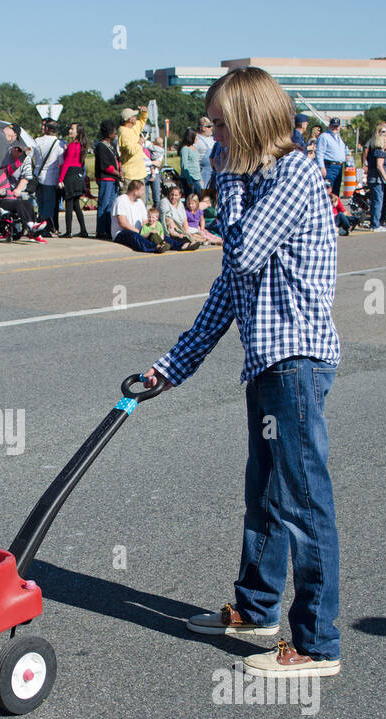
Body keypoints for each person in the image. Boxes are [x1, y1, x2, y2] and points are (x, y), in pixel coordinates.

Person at [143, 66, 342, 678]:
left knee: (303, 501)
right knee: (264, 493)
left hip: (296, 362)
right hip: (267, 364)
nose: (215, 137)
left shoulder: (294, 175)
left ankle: (316, 643)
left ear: (250, 122)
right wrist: (172, 367)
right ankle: (257, 610)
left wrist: (225, 182)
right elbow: (229, 288)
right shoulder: (256, 181)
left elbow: (243, 249)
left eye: (222, 126)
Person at [112, 179, 188, 252]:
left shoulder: (139, 202)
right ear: (135, 191)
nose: (143, 192)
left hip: (140, 231)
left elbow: (145, 220)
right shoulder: (121, 200)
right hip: (122, 233)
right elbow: (123, 223)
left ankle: (181, 245)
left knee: (160, 235)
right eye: (142, 190)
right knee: (134, 236)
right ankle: (155, 247)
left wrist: (149, 230)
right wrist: (140, 232)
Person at [57, 123, 90, 238]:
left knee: (69, 205)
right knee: (76, 205)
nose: (70, 131)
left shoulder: (72, 145)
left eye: (72, 129)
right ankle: (83, 230)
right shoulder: (81, 145)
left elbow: (66, 163)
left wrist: (60, 179)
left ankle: (68, 231)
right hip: (78, 175)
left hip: (70, 175)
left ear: (78, 132)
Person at [32, 119, 63, 236]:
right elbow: (61, 160)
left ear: (46, 129)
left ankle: (39, 225)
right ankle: (43, 228)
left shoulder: (37, 141)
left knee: (40, 204)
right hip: (51, 177)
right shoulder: (58, 143)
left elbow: (31, 156)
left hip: (37, 175)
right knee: (49, 205)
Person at [94, 120, 121, 240]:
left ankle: (109, 229)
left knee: (111, 206)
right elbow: (105, 165)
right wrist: (118, 173)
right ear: (109, 133)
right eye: (114, 131)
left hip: (114, 179)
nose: (115, 133)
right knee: (103, 205)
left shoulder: (113, 145)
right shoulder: (100, 146)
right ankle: (101, 231)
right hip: (106, 179)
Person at [117, 107, 148, 192]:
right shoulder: (123, 132)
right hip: (129, 175)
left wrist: (144, 112)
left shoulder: (133, 127)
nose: (136, 117)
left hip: (140, 173)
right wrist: (139, 143)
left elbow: (141, 122)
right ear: (129, 119)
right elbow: (131, 151)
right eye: (134, 116)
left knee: (141, 203)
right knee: (127, 202)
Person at [364, 130, 386, 232]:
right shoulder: (380, 152)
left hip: (372, 177)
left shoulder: (372, 152)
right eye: (385, 141)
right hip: (377, 179)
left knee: (375, 201)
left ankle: (374, 223)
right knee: (377, 202)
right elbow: (380, 166)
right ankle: (375, 224)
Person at [315, 118, 347, 192]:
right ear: (329, 125)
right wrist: (322, 167)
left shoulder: (339, 137)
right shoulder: (324, 136)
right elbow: (319, 152)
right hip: (329, 166)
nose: (335, 128)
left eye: (336, 126)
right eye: (333, 126)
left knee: (336, 192)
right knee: (328, 190)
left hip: (339, 166)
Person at [178, 128, 203, 197]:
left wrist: (200, 178)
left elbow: (196, 164)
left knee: (200, 198)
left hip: (197, 178)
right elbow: (184, 166)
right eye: (196, 136)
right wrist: (189, 181)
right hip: (189, 179)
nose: (197, 138)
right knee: (190, 199)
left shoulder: (194, 148)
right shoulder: (185, 149)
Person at [193, 117, 216, 190]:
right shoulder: (197, 140)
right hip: (203, 174)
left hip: (213, 173)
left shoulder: (213, 139)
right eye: (209, 126)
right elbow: (194, 161)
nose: (211, 128)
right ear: (203, 128)